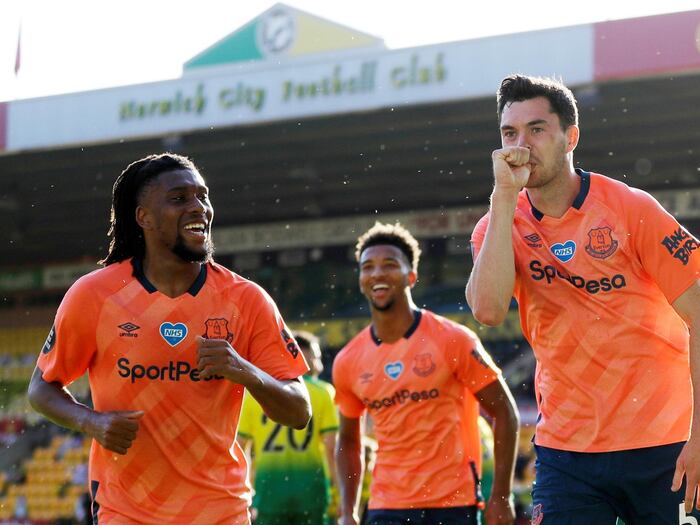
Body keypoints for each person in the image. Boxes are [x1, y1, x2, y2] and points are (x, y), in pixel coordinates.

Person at [466, 75, 700, 524]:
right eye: (510, 133)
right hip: (566, 453)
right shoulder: (496, 224)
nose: (521, 145)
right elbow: (488, 312)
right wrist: (504, 196)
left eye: (537, 129)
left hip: (663, 445)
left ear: (571, 137)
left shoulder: (630, 208)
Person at [27, 152, 311, 523]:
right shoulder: (95, 295)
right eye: (179, 199)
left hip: (219, 510)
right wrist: (91, 422)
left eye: (203, 196)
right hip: (125, 510)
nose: (199, 208)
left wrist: (244, 370)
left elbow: (298, 411)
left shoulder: (246, 299)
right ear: (143, 217)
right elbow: (41, 389)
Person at [334, 222, 520, 525]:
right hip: (387, 507)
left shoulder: (452, 340)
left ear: (412, 275)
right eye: (367, 267)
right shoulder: (348, 360)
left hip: (453, 504)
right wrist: (347, 511)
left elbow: (504, 412)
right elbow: (349, 441)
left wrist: (501, 496)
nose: (377, 273)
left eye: (389, 264)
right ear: (360, 281)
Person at [238, 330, 340, 525]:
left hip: (269, 492)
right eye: (316, 356)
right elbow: (331, 448)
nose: (319, 363)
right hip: (311, 492)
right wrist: (339, 490)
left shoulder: (253, 395)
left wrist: (245, 487)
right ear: (302, 355)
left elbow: (241, 448)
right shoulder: (324, 392)